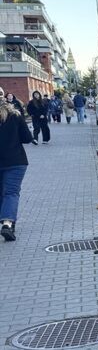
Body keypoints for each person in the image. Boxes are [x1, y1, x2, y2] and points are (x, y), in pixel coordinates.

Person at [0, 86, 33, 241]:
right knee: (11, 193)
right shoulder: (15, 115)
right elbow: (26, 137)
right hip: (15, 160)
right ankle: (7, 223)